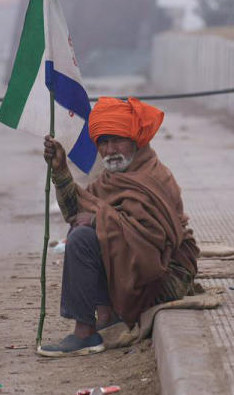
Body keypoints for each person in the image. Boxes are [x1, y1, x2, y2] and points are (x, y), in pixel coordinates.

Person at [37, 97, 199, 357]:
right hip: (134, 272)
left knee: (85, 237)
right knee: (82, 231)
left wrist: (99, 219)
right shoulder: (111, 179)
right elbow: (75, 214)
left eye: (117, 140)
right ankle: (106, 315)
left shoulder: (155, 178)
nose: (110, 149)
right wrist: (60, 171)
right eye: (103, 142)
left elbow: (151, 241)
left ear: (136, 141)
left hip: (164, 277)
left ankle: (85, 333)